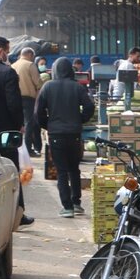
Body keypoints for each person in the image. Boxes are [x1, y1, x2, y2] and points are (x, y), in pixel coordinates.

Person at [36, 57, 95, 217]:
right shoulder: (77, 87)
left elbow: (38, 112)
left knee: (61, 171)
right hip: (74, 134)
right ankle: (76, 203)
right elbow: (90, 106)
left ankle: (67, 207)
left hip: (56, 134)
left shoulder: (47, 87)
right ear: (70, 70)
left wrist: (47, 124)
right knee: (74, 169)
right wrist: (80, 119)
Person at [0, 36, 33, 226]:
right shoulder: (8, 73)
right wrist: (19, 124)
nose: (7, 55)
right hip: (5, 132)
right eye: (6, 50)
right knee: (11, 171)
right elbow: (14, 104)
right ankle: (17, 213)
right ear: (0, 51)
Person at [12, 47, 43, 156]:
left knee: (22, 124)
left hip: (16, 99)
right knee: (30, 124)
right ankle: (28, 149)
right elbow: (38, 83)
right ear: (30, 54)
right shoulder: (30, 65)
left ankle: (23, 148)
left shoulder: (13, 65)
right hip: (29, 99)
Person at [110, 47, 140, 111]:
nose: (139, 58)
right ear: (131, 55)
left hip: (119, 95)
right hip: (122, 96)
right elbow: (132, 84)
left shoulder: (124, 64)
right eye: (137, 56)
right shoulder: (129, 65)